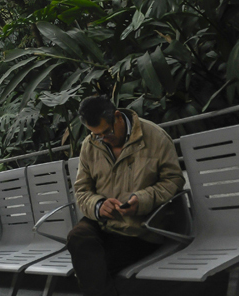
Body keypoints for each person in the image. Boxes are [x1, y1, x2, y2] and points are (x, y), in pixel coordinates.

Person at [67, 95, 185, 296]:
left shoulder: (155, 137)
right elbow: (82, 190)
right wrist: (98, 205)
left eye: (107, 132)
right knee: (77, 237)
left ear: (118, 116)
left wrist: (142, 200)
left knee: (95, 266)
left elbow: (173, 181)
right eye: (96, 135)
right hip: (103, 222)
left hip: (141, 225)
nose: (103, 138)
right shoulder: (89, 144)